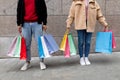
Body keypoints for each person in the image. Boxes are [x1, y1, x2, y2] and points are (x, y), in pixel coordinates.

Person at [66, 0, 108, 65]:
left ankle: (86, 57)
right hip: (80, 24)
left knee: (88, 42)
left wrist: (104, 23)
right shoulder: (76, 2)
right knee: (81, 42)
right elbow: (71, 14)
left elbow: (99, 15)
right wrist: (68, 24)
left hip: (90, 25)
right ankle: (81, 58)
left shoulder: (93, 2)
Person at [17, 0, 47, 70]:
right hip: (25, 24)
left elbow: (44, 9)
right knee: (26, 44)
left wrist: (44, 23)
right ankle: (27, 62)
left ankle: (41, 61)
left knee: (40, 43)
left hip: (37, 23)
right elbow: (19, 10)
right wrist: (19, 24)